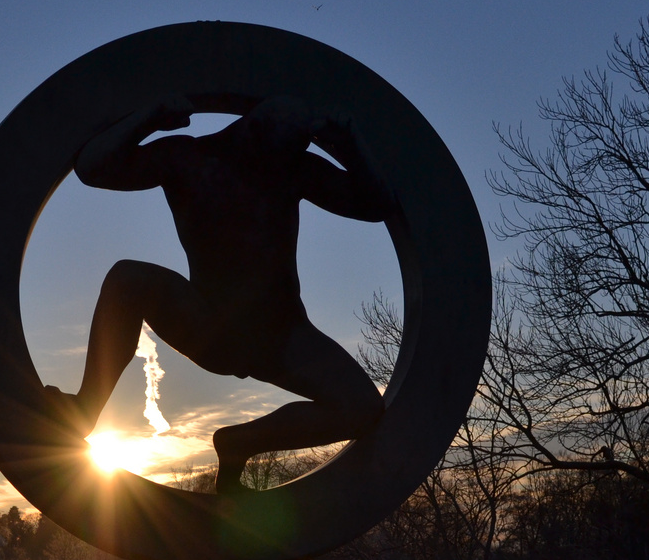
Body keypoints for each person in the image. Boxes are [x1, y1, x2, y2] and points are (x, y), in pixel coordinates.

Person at [44, 95, 392, 494]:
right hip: (210, 322)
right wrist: (149, 116)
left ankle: (240, 443)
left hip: (282, 332)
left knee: (362, 407)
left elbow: (377, 203)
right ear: (257, 118)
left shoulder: (292, 166)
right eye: (300, 133)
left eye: (309, 137)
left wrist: (348, 141)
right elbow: (91, 168)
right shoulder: (188, 157)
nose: (306, 142)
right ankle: (86, 408)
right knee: (127, 279)